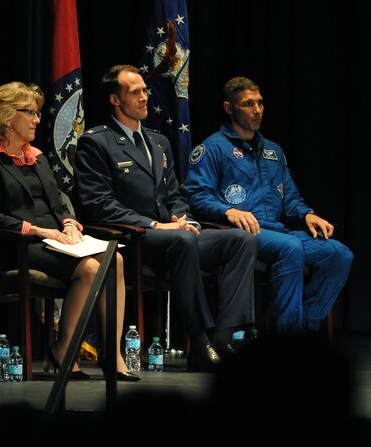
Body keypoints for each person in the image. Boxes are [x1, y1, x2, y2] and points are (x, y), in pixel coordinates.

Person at [72, 65, 259, 372]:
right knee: (182, 240)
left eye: (145, 90)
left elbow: (173, 195)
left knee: (242, 239)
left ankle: (227, 336)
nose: (145, 97)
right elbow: (99, 205)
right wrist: (157, 225)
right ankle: (201, 342)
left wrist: (185, 219)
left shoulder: (159, 141)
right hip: (129, 239)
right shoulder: (97, 142)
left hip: (173, 237)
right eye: (135, 92)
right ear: (115, 100)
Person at [0, 81, 140, 381]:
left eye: (38, 113)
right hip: (13, 246)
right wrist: (39, 231)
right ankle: (64, 349)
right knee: (90, 269)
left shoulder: (38, 157)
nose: (36, 119)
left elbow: (58, 203)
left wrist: (68, 223)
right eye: (30, 112)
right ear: (7, 116)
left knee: (116, 259)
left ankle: (113, 353)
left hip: (52, 242)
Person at [183, 76, 354, 334]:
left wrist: (307, 214)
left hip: (279, 230)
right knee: (291, 248)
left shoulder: (273, 151)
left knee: (339, 254)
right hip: (244, 234)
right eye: (248, 104)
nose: (257, 110)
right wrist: (228, 210)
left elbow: (291, 199)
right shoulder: (212, 148)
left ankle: (304, 326)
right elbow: (196, 194)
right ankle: (288, 337)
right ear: (229, 108)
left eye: (260, 103)